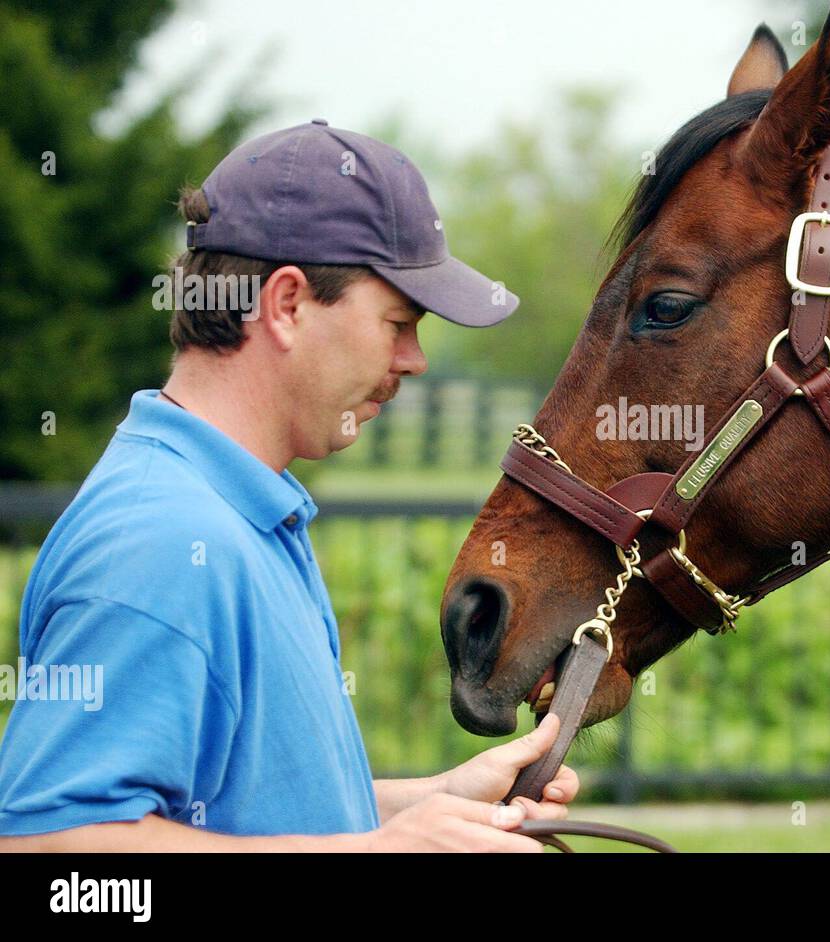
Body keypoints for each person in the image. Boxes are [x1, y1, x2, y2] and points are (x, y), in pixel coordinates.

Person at [0, 120, 570, 851]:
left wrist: (430, 803)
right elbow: (53, 851)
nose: (415, 359)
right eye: (398, 322)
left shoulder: (235, 514)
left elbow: (239, 808)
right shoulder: (163, 539)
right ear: (286, 304)